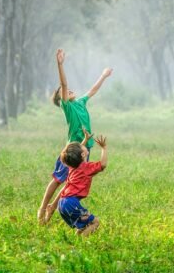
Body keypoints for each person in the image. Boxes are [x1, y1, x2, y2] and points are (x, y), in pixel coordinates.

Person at [37, 48, 112, 224]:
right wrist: (60, 64)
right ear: (61, 99)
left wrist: (103, 75)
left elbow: (93, 90)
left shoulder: (80, 102)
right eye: (65, 92)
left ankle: (53, 207)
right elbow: (63, 84)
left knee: (73, 180)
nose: (69, 90)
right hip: (72, 150)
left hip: (85, 149)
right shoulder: (68, 107)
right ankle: (43, 208)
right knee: (57, 180)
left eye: (70, 90)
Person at [57, 129, 107, 236]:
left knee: (84, 225)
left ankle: (76, 241)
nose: (83, 145)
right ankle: (82, 244)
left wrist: (85, 140)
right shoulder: (86, 168)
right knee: (95, 222)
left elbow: (75, 153)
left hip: (62, 203)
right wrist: (104, 148)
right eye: (82, 146)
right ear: (83, 154)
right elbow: (103, 164)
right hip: (71, 203)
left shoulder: (72, 165)